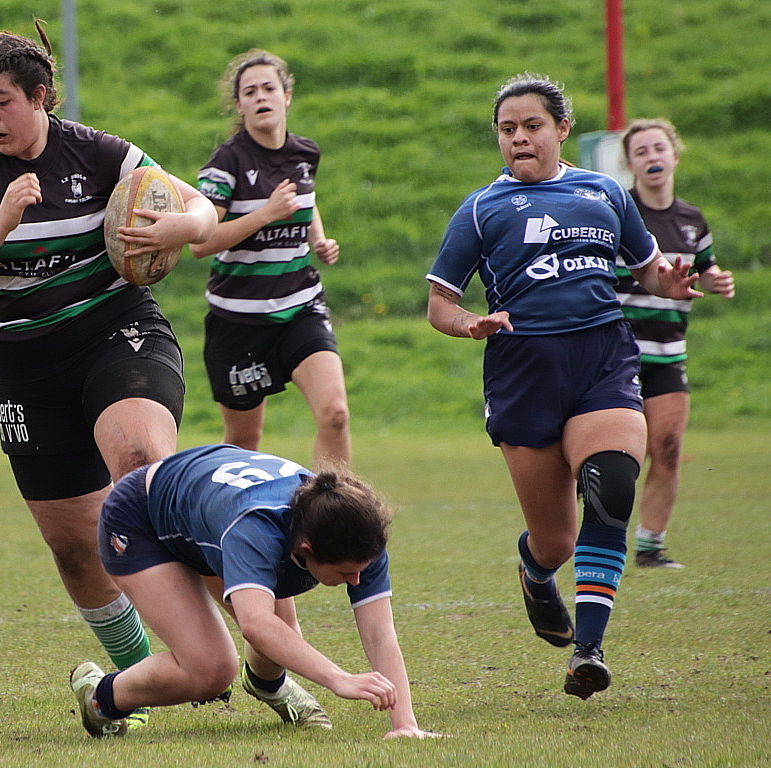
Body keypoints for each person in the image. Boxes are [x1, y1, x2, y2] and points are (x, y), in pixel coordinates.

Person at [0, 22, 217, 727]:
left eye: (1, 101)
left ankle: (254, 651)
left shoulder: (99, 151)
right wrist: (2, 220)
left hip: (117, 333)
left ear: (40, 97)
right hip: (25, 363)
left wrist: (182, 226)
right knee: (74, 546)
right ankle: (143, 677)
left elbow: (198, 207)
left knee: (142, 469)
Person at [425, 74, 702, 699]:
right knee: (557, 539)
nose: (519, 138)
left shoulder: (605, 192)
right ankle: (534, 571)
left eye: (532, 126)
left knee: (611, 490)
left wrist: (671, 284)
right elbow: (440, 304)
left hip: (601, 358)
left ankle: (588, 650)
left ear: (561, 129)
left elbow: (649, 271)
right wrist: (473, 324)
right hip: (523, 373)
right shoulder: (480, 208)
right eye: (507, 129)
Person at [68, 444, 440, 740]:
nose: (357, 580)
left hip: (208, 513)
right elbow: (256, 625)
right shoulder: (257, 530)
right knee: (213, 669)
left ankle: (267, 684)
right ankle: (101, 698)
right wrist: (337, 678)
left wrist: (404, 722)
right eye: (346, 573)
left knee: (285, 637)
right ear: (306, 549)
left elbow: (379, 631)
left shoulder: (358, 531)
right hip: (141, 520)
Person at [192, 50, 350, 471]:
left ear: (287, 96)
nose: (261, 97)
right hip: (238, 321)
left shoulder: (304, 153)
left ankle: (335, 523)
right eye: (250, 91)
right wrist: (265, 214)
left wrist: (319, 238)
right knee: (244, 440)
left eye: (268, 88)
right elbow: (199, 243)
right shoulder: (225, 164)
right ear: (239, 105)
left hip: (301, 306)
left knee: (335, 414)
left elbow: (305, 199)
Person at [618, 118, 735, 569]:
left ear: (674, 156)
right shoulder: (620, 213)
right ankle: (595, 535)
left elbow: (704, 267)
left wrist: (715, 278)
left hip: (668, 354)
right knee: (617, 455)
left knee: (666, 447)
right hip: (617, 355)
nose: (652, 157)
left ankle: (650, 546)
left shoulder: (691, 220)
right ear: (629, 163)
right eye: (641, 151)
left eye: (658, 148)